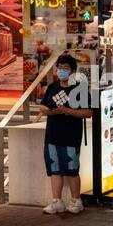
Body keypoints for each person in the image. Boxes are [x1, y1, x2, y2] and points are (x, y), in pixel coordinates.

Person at [41, 54, 91, 214]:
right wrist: (49, 111)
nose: (62, 71)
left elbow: (88, 112)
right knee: (54, 169)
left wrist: (66, 111)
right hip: (52, 134)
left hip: (71, 135)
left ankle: (76, 201)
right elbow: (42, 107)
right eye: (60, 67)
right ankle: (57, 201)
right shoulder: (52, 87)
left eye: (66, 68)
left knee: (71, 168)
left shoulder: (80, 89)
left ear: (73, 71)